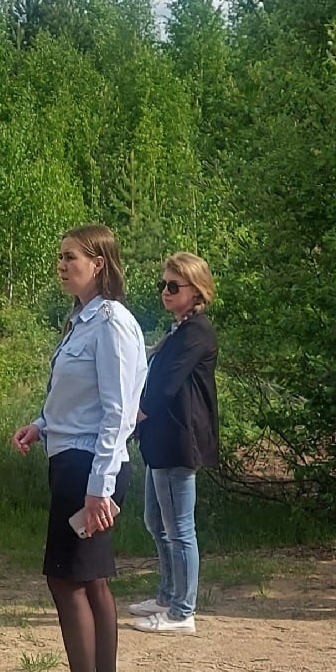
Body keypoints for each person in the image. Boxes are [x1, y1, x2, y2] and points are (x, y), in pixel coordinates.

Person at [11, 225, 145, 672]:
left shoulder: (110, 322)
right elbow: (82, 398)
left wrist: (99, 487)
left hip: (89, 467)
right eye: (60, 256)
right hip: (76, 457)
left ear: (101, 264)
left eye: (72, 257)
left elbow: (117, 412)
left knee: (66, 580)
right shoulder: (85, 319)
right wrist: (42, 424)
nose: (62, 264)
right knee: (91, 580)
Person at [130, 253, 218, 635]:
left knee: (180, 528)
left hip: (180, 438)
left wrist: (135, 413)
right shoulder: (180, 329)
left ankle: (183, 611)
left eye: (173, 286)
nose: (165, 292)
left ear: (195, 290)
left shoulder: (197, 332)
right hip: (162, 438)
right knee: (156, 521)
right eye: (162, 285)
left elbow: (165, 385)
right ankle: (167, 595)